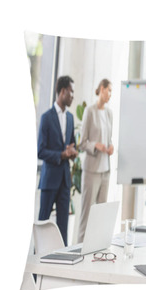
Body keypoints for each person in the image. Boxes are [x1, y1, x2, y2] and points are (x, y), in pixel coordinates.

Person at [37, 75, 78, 246]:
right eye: (71, 92)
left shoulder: (70, 118)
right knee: (42, 223)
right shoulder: (46, 117)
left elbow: (72, 144)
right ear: (62, 92)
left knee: (63, 227)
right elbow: (40, 151)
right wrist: (62, 154)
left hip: (64, 180)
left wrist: (73, 152)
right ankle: (36, 266)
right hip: (49, 180)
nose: (72, 96)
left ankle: (62, 267)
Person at [78, 79, 114, 243]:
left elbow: (109, 138)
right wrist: (96, 145)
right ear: (101, 89)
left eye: (111, 92)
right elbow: (82, 143)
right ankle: (79, 250)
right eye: (108, 90)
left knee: (101, 217)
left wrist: (110, 146)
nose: (110, 94)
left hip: (105, 170)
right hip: (92, 171)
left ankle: (97, 252)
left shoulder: (109, 113)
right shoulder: (89, 111)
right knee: (87, 215)